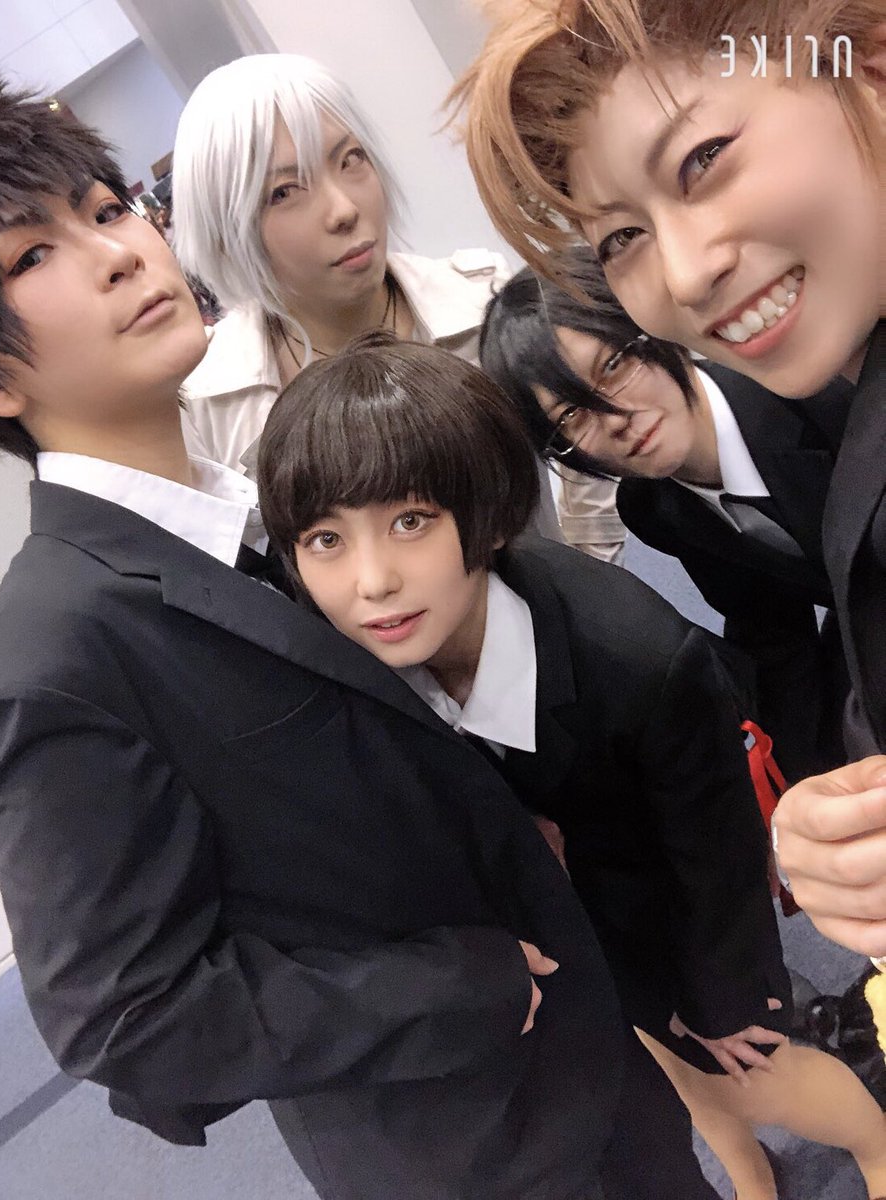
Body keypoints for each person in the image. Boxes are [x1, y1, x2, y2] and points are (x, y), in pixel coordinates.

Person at [0, 72, 700, 1200]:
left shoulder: (255, 506)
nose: (118, 253)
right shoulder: (53, 653)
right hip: (468, 1142)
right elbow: (126, 1017)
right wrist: (458, 990)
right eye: (32, 255)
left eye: (108, 209)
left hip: (590, 1055)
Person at [257, 331, 886, 1200]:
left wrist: (730, 995)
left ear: (485, 514)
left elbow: (716, 854)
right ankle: (749, 1171)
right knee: (661, 1060)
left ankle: (875, 1146)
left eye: (410, 522)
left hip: (662, 905)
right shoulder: (348, 656)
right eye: (326, 539)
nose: (371, 582)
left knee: (743, 1064)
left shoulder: (639, 662)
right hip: (557, 921)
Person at [450, 0, 886, 956]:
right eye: (622, 236)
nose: (688, 273)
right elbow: (776, 627)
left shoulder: (821, 376)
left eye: (702, 159)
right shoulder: (654, 508)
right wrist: (820, 786)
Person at [169, 52, 618, 551]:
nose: (343, 209)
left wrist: (585, 572)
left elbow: (585, 438)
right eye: (285, 192)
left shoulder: (480, 303)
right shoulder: (209, 402)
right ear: (227, 228)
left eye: (350, 160)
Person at [479, 247, 854, 781]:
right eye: (572, 415)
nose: (614, 417)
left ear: (653, 326)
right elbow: (773, 632)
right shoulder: (654, 509)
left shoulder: (816, 390)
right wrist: (807, 779)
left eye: (613, 366)